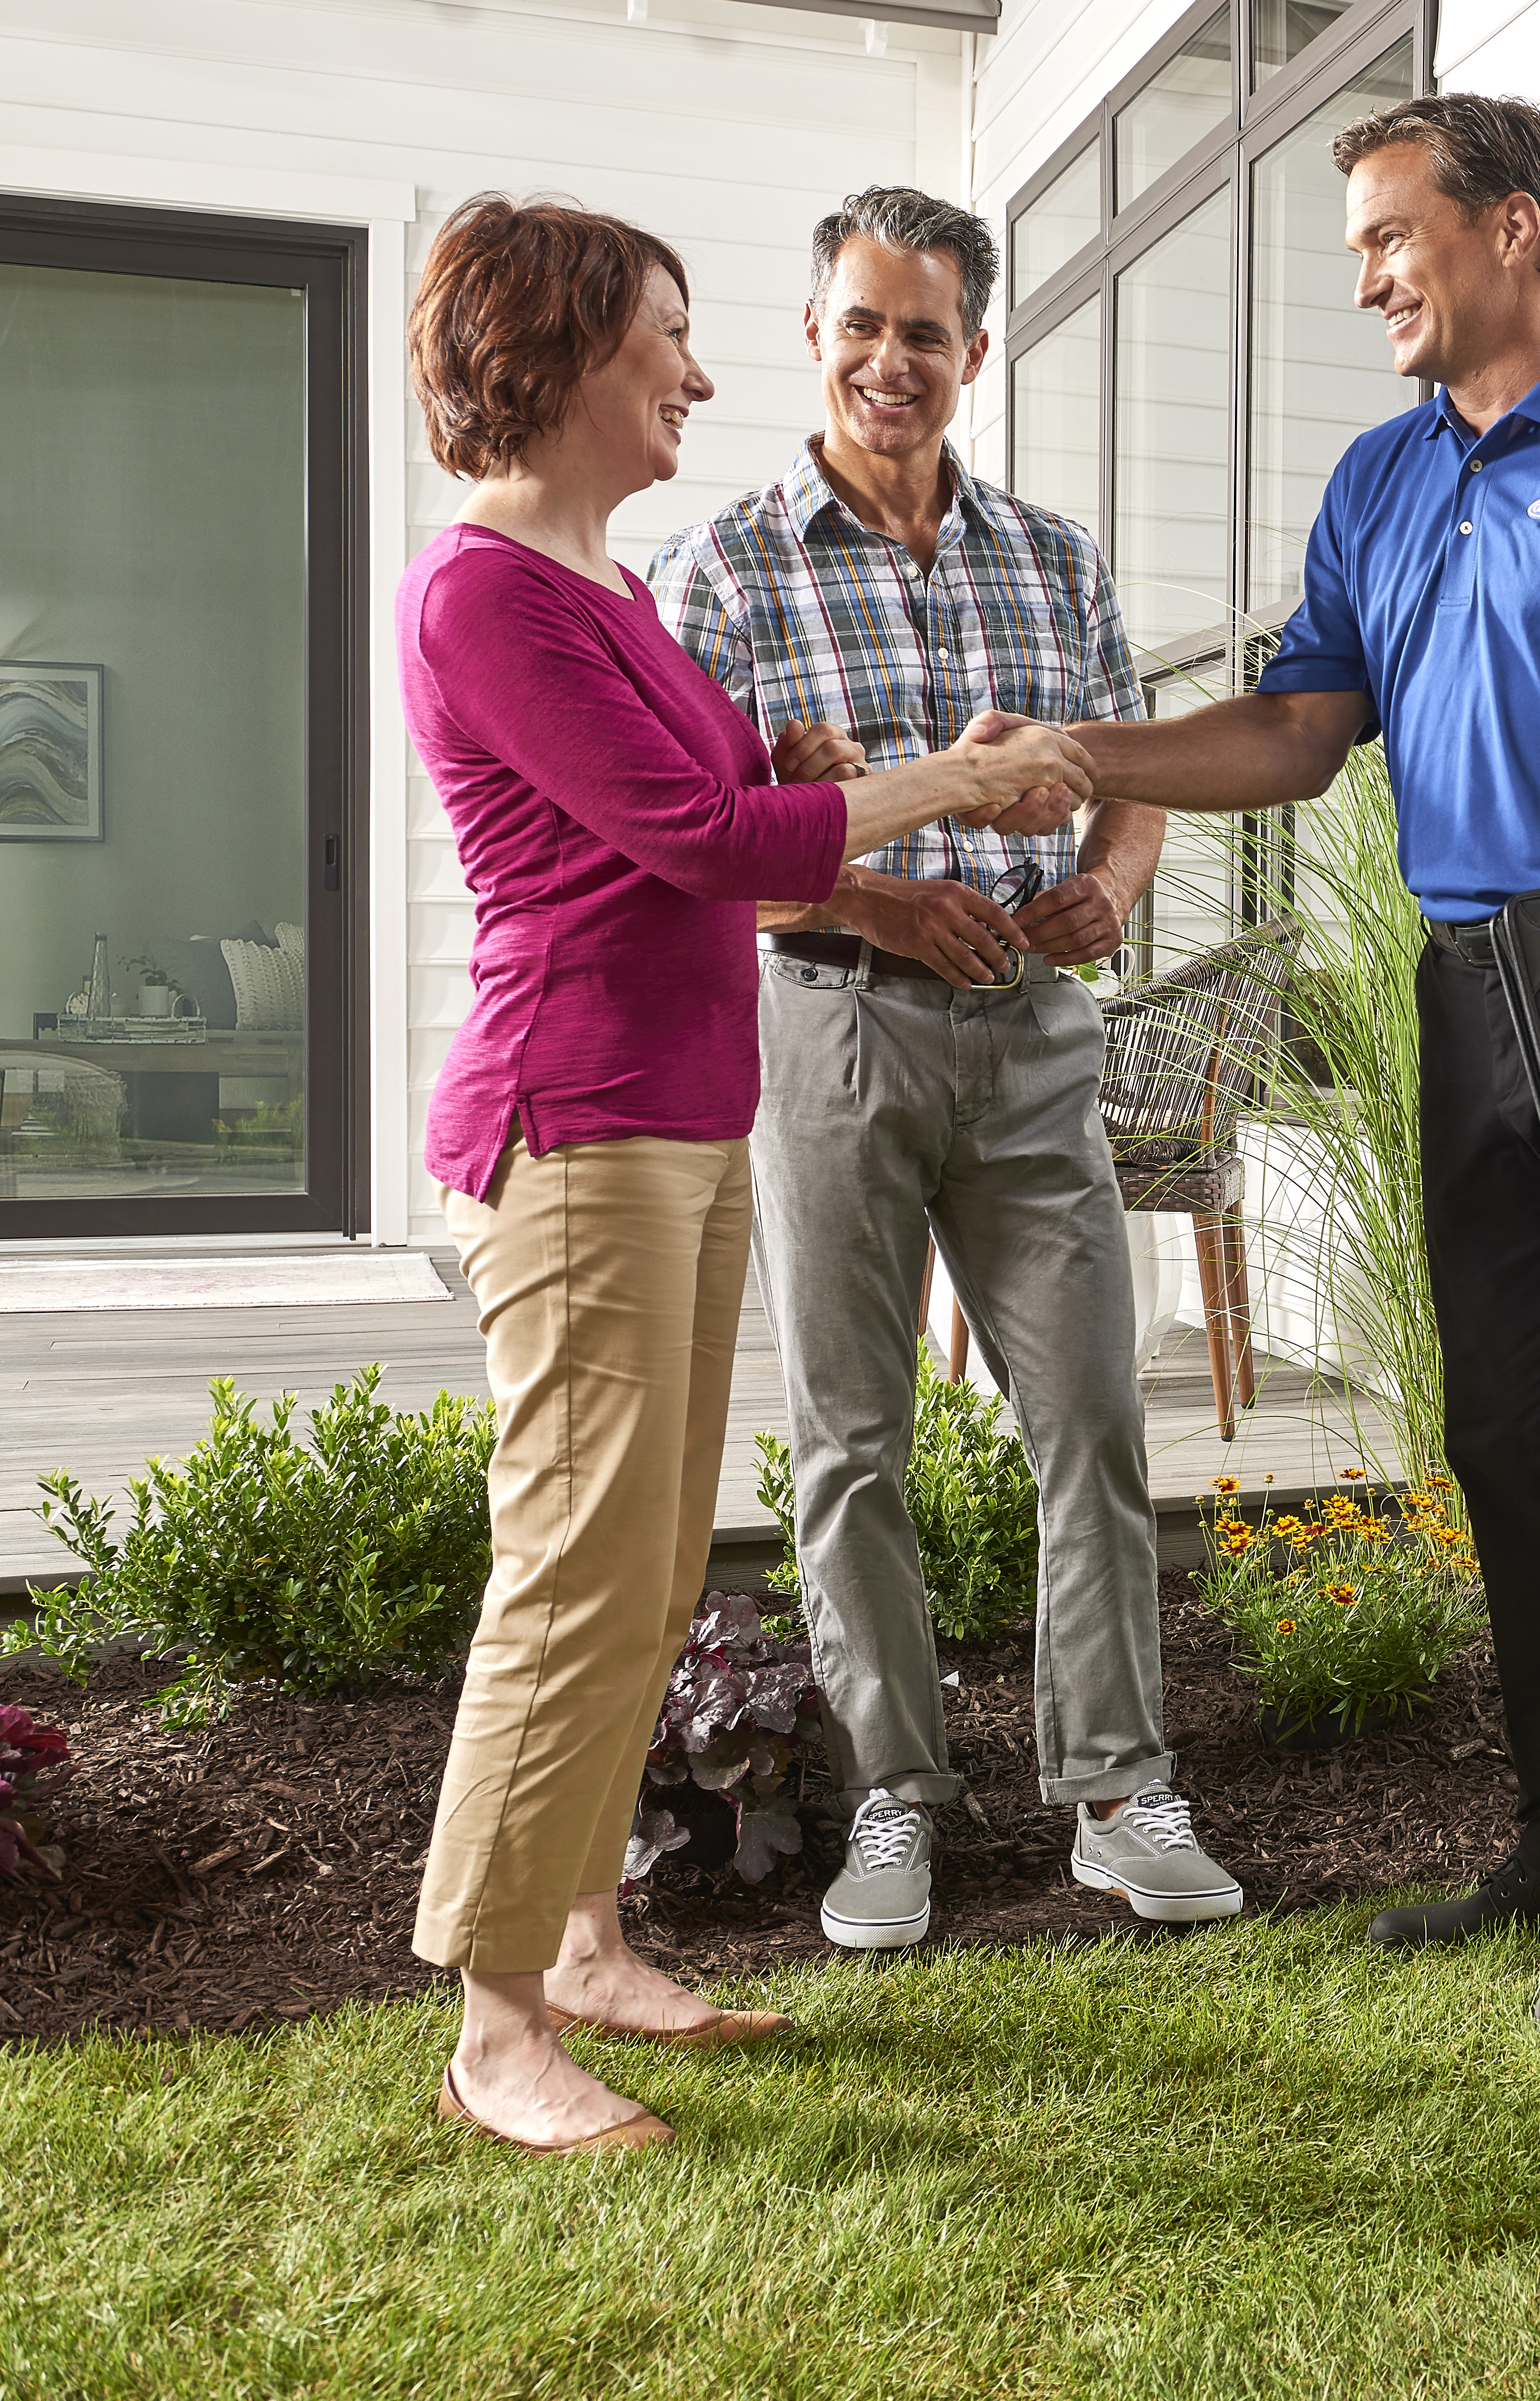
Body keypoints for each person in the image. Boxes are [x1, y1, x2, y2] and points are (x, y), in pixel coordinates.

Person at [979, 95, 1540, 2024]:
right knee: (1508, 1429)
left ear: (1511, 229)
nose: (1364, 270)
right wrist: (1085, 753)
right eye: (1357, 239)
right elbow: (1297, 733)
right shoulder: (1378, 483)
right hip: (1467, 993)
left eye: (1388, 232)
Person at [400, 195, 1093, 2152]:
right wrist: (949, 784)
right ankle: (492, 2020)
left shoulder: (608, 587)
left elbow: (740, 802)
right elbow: (709, 839)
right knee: (568, 1572)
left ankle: (592, 1937)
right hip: (578, 1121)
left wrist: (805, 757)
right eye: (665, 346)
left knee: (648, 1568)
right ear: (557, 359)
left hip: (689, 1112)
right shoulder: (486, 596)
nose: (699, 379)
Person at [648, 187, 1243, 1954]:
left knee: (1092, 1417)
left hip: (1036, 1044)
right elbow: (700, 837)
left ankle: (1120, 1791)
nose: (889, 361)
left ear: (973, 354)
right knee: (851, 1437)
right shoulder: (727, 567)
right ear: (814, 334)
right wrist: (878, 905)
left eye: (925, 333)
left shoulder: (1054, 559)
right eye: (860, 324)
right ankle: (894, 1790)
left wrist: (1111, 887)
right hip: (833, 1024)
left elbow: (1134, 766)